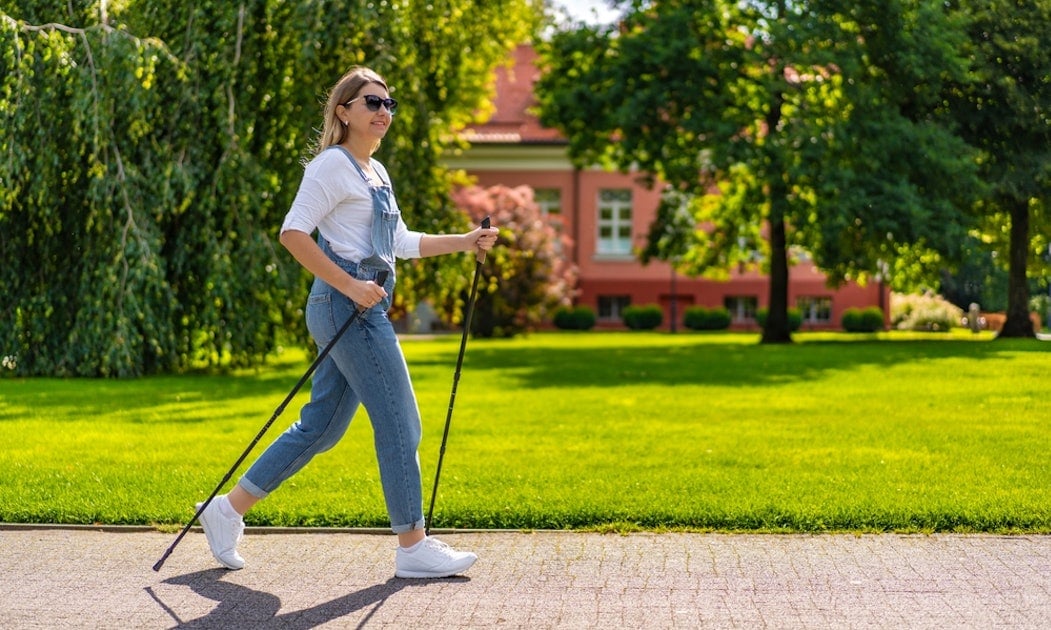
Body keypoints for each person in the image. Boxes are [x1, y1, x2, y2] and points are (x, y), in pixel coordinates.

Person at [196, 66, 498, 579]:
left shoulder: (375, 172)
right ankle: (413, 546)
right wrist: (351, 286)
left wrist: (464, 241)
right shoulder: (331, 166)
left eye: (388, 104)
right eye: (372, 103)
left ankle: (225, 512)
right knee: (401, 422)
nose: (384, 112)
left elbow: (399, 242)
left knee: (322, 428)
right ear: (344, 111)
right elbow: (293, 234)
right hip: (347, 306)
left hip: (360, 304)